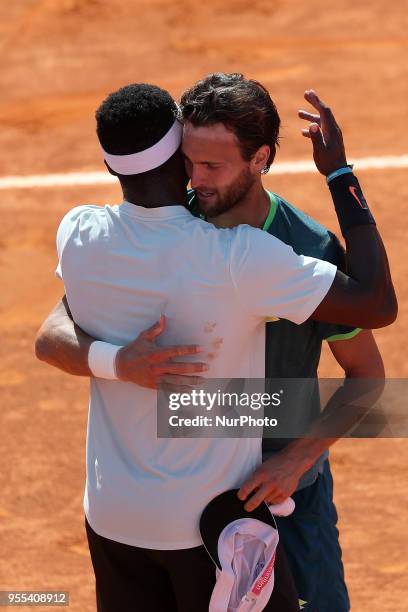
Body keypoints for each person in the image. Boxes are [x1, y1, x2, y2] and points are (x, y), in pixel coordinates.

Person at [35, 80, 396, 611]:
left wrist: (296, 459)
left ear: (261, 158)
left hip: (282, 488)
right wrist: (118, 362)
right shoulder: (175, 227)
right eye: (189, 161)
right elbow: (53, 331)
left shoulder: (306, 249)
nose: (195, 181)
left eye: (213, 166)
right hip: (195, 505)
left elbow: (369, 378)